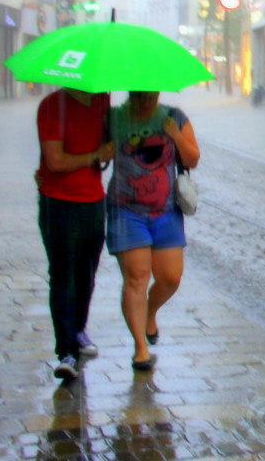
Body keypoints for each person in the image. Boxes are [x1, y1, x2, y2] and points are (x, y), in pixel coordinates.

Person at [106, 91, 200, 371]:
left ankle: (150, 311)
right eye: (140, 96)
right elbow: (97, 155)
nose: (146, 101)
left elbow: (193, 158)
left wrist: (175, 135)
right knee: (136, 277)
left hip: (166, 211)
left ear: (158, 93)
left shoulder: (174, 117)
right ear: (131, 93)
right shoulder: (113, 119)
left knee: (170, 277)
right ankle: (140, 348)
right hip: (126, 210)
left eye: (151, 96)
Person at [36, 88, 114, 380]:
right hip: (58, 202)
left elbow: (108, 148)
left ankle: (79, 329)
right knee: (63, 274)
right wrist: (96, 155)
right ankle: (65, 349)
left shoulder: (103, 101)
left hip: (93, 201)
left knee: (86, 274)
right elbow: (55, 160)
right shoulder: (52, 106)